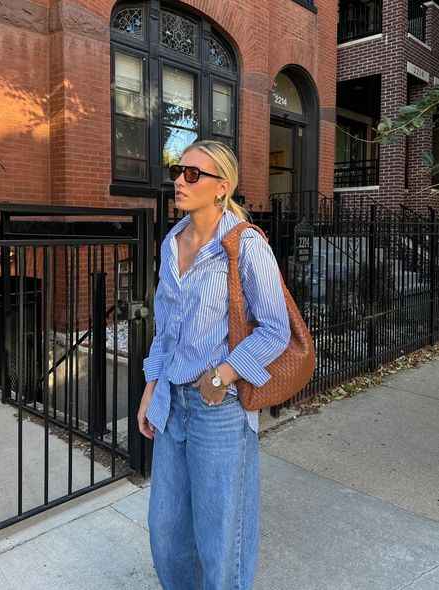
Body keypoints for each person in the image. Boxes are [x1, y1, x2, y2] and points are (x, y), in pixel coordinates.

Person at [137, 140, 291, 590]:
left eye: (192, 174)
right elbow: (165, 330)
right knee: (166, 531)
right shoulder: (171, 242)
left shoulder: (244, 245)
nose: (179, 182)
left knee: (219, 535)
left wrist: (221, 375)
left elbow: (276, 329)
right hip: (171, 402)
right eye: (177, 171)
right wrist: (151, 388)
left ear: (222, 187)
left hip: (218, 409)